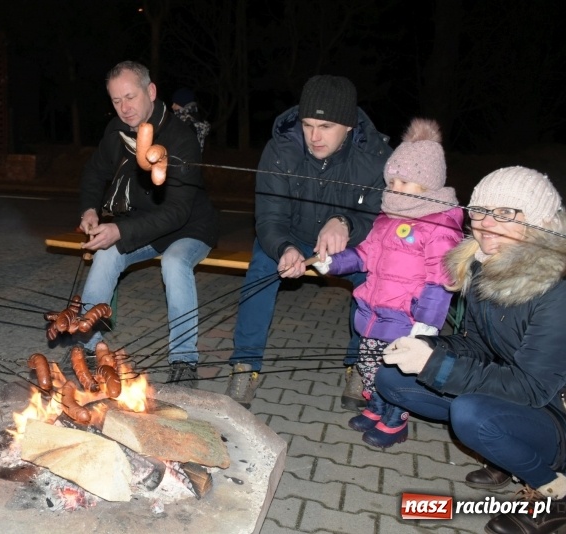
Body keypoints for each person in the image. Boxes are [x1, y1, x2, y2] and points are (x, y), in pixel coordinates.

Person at [378, 166, 566, 534]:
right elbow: (479, 345)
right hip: (511, 392)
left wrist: (436, 366)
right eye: (479, 211)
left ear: (541, 221)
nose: (486, 223)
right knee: (392, 378)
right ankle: (507, 453)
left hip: (555, 411)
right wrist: (426, 346)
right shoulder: (484, 266)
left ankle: (552, 490)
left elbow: (533, 387)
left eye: (507, 213)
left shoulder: (558, 289)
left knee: (470, 413)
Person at [225, 74, 392, 409]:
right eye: (308, 124)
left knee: (378, 276)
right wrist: (284, 248)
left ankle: (358, 364)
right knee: (261, 267)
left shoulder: (376, 158)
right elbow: (269, 218)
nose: (314, 137)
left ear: (347, 125)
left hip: (350, 243)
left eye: (325, 126)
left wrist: (344, 222)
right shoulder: (280, 150)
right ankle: (245, 365)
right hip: (293, 238)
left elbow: (380, 218)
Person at [313, 118, 463, 448]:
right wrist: (333, 263)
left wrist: (427, 323)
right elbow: (365, 254)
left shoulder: (440, 225)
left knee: (395, 373)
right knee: (369, 366)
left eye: (405, 182)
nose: (394, 188)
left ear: (428, 185)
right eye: (392, 180)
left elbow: (441, 278)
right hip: (371, 312)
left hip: (406, 320)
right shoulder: (387, 217)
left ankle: (396, 419)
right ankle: (377, 408)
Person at [76, 61, 219, 389]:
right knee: (106, 254)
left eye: (130, 97)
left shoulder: (180, 137)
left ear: (150, 91)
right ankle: (87, 348)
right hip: (142, 225)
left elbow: (177, 213)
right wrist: (89, 210)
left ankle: (184, 360)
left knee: (174, 262)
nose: (124, 108)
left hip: (189, 228)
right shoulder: (115, 131)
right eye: (116, 100)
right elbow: (95, 172)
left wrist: (121, 231)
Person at [171, 88, 210, 152]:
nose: (172, 106)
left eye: (175, 104)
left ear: (183, 105)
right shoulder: (196, 118)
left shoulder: (186, 122)